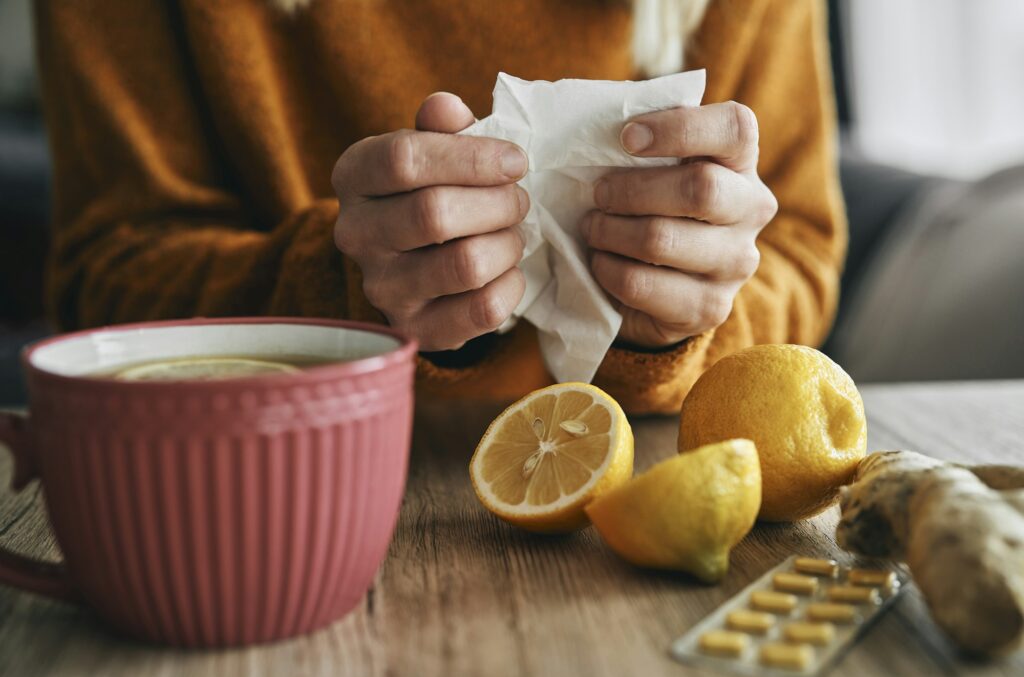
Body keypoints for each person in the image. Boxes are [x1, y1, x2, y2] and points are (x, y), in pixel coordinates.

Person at [35, 0, 845, 414]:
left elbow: (800, 249)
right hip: (277, 480)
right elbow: (108, 272)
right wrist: (343, 298)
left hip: (636, 493)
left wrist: (673, 323)